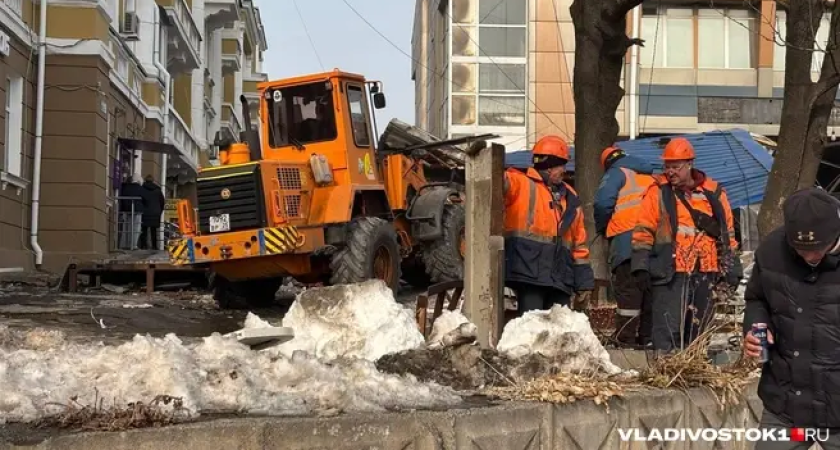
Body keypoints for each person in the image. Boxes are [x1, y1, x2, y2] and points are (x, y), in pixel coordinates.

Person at [743, 187, 840, 449]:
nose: (808, 257)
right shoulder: (772, 251)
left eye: (818, 250)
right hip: (787, 407)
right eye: (799, 250)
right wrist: (754, 328)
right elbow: (757, 298)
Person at [630, 137, 741, 352]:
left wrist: (731, 266)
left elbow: (727, 235)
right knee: (667, 329)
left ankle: (694, 370)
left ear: (689, 164)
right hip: (671, 271)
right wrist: (641, 266)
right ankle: (665, 373)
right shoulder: (657, 192)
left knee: (700, 330)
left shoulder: (714, 192)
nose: (670, 171)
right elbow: (643, 231)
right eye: (667, 166)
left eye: (675, 166)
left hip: (706, 271)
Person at [503, 135, 594, 315]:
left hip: (559, 278)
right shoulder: (520, 183)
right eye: (562, 165)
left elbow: (579, 244)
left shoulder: (571, 197)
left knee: (559, 333)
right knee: (532, 330)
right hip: (529, 275)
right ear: (549, 165)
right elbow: (497, 181)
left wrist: (584, 283)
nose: (564, 171)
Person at [594, 146, 657, 348]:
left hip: (626, 243)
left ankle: (626, 339)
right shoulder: (650, 177)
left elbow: (603, 203)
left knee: (628, 292)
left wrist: (603, 227)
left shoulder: (616, 173)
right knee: (649, 294)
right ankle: (647, 338)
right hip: (652, 245)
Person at [118, 174, 144, 250]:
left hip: (126, 209)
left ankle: (124, 244)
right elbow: (145, 198)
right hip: (137, 209)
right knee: (136, 228)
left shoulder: (124, 187)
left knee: (126, 227)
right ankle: (133, 244)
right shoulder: (140, 188)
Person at [138, 175, 165, 250]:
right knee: (153, 231)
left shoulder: (142, 189)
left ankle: (143, 245)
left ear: (145, 180)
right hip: (155, 213)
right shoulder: (158, 190)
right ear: (153, 181)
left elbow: (140, 200)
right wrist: (159, 211)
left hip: (145, 212)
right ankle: (154, 246)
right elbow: (162, 202)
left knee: (144, 230)